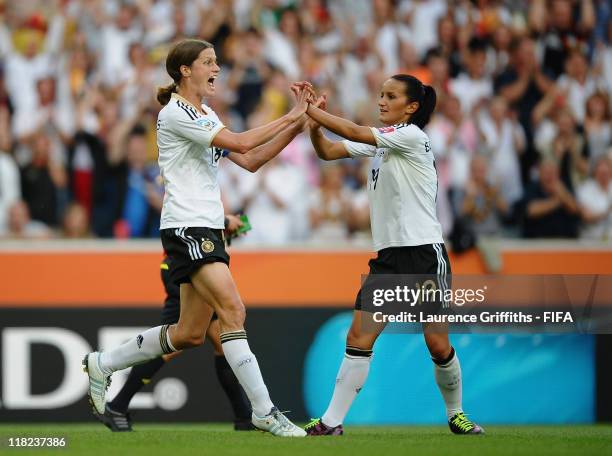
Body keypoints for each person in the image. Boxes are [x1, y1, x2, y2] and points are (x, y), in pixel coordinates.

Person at [83, 39, 317, 437]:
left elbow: (251, 160)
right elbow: (243, 142)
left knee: (188, 333)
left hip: (206, 227)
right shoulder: (176, 112)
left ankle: (103, 363)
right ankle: (263, 411)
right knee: (234, 311)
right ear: (184, 70)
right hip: (188, 227)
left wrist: (300, 123)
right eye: (208, 62)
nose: (217, 68)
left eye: (217, 61)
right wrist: (292, 113)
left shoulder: (205, 112)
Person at [296, 74, 484, 435]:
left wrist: (312, 112)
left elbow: (351, 132)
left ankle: (456, 414)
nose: (382, 101)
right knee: (359, 338)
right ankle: (331, 422)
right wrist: (314, 124)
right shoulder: (384, 144)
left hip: (425, 254)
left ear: (411, 107)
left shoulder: (412, 137)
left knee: (436, 342)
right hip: (389, 258)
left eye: (391, 96)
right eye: (381, 94)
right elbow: (328, 151)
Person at [97, 216, 252, 432]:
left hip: (191, 262)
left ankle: (244, 417)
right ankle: (117, 404)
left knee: (219, 338)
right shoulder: (184, 187)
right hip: (186, 264)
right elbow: (183, 207)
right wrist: (224, 221)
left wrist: (222, 226)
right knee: (177, 342)